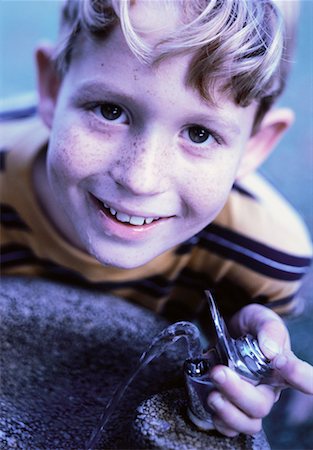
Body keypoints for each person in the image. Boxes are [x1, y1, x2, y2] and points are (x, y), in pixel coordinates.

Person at [1, 0, 312, 438]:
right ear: (51, 89)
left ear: (256, 145)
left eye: (200, 134)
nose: (140, 179)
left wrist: (241, 375)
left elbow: (259, 373)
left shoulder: (264, 255)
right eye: (110, 111)